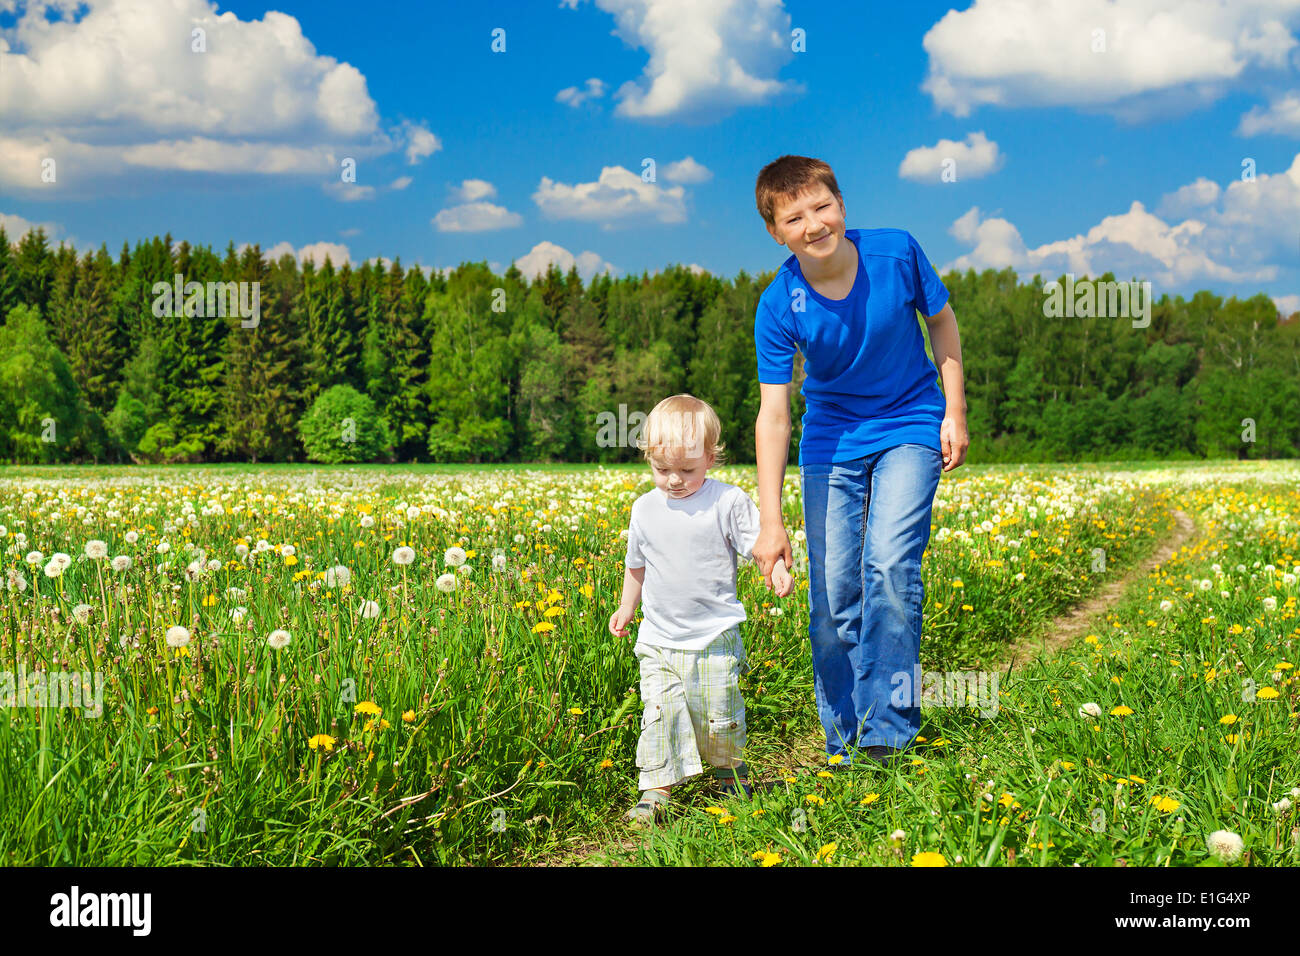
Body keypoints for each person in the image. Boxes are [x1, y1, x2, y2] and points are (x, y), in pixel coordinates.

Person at [749, 155, 970, 768]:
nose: (814, 225)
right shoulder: (779, 304)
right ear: (777, 232)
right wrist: (772, 523)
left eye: (822, 207)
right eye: (794, 218)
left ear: (841, 204)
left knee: (890, 567)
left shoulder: (897, 254)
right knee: (832, 597)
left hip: (910, 423)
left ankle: (887, 739)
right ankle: (845, 742)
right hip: (832, 442)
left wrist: (955, 411)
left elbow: (943, 324)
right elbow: (773, 416)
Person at [609, 393, 794, 826]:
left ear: (711, 458)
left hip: (714, 635)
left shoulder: (726, 502)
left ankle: (730, 774)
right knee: (659, 712)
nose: (674, 480)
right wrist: (625, 608)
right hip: (657, 639)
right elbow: (636, 565)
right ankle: (656, 791)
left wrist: (778, 569)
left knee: (720, 713)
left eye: (686, 470)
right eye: (662, 469)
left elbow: (758, 545)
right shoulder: (644, 509)